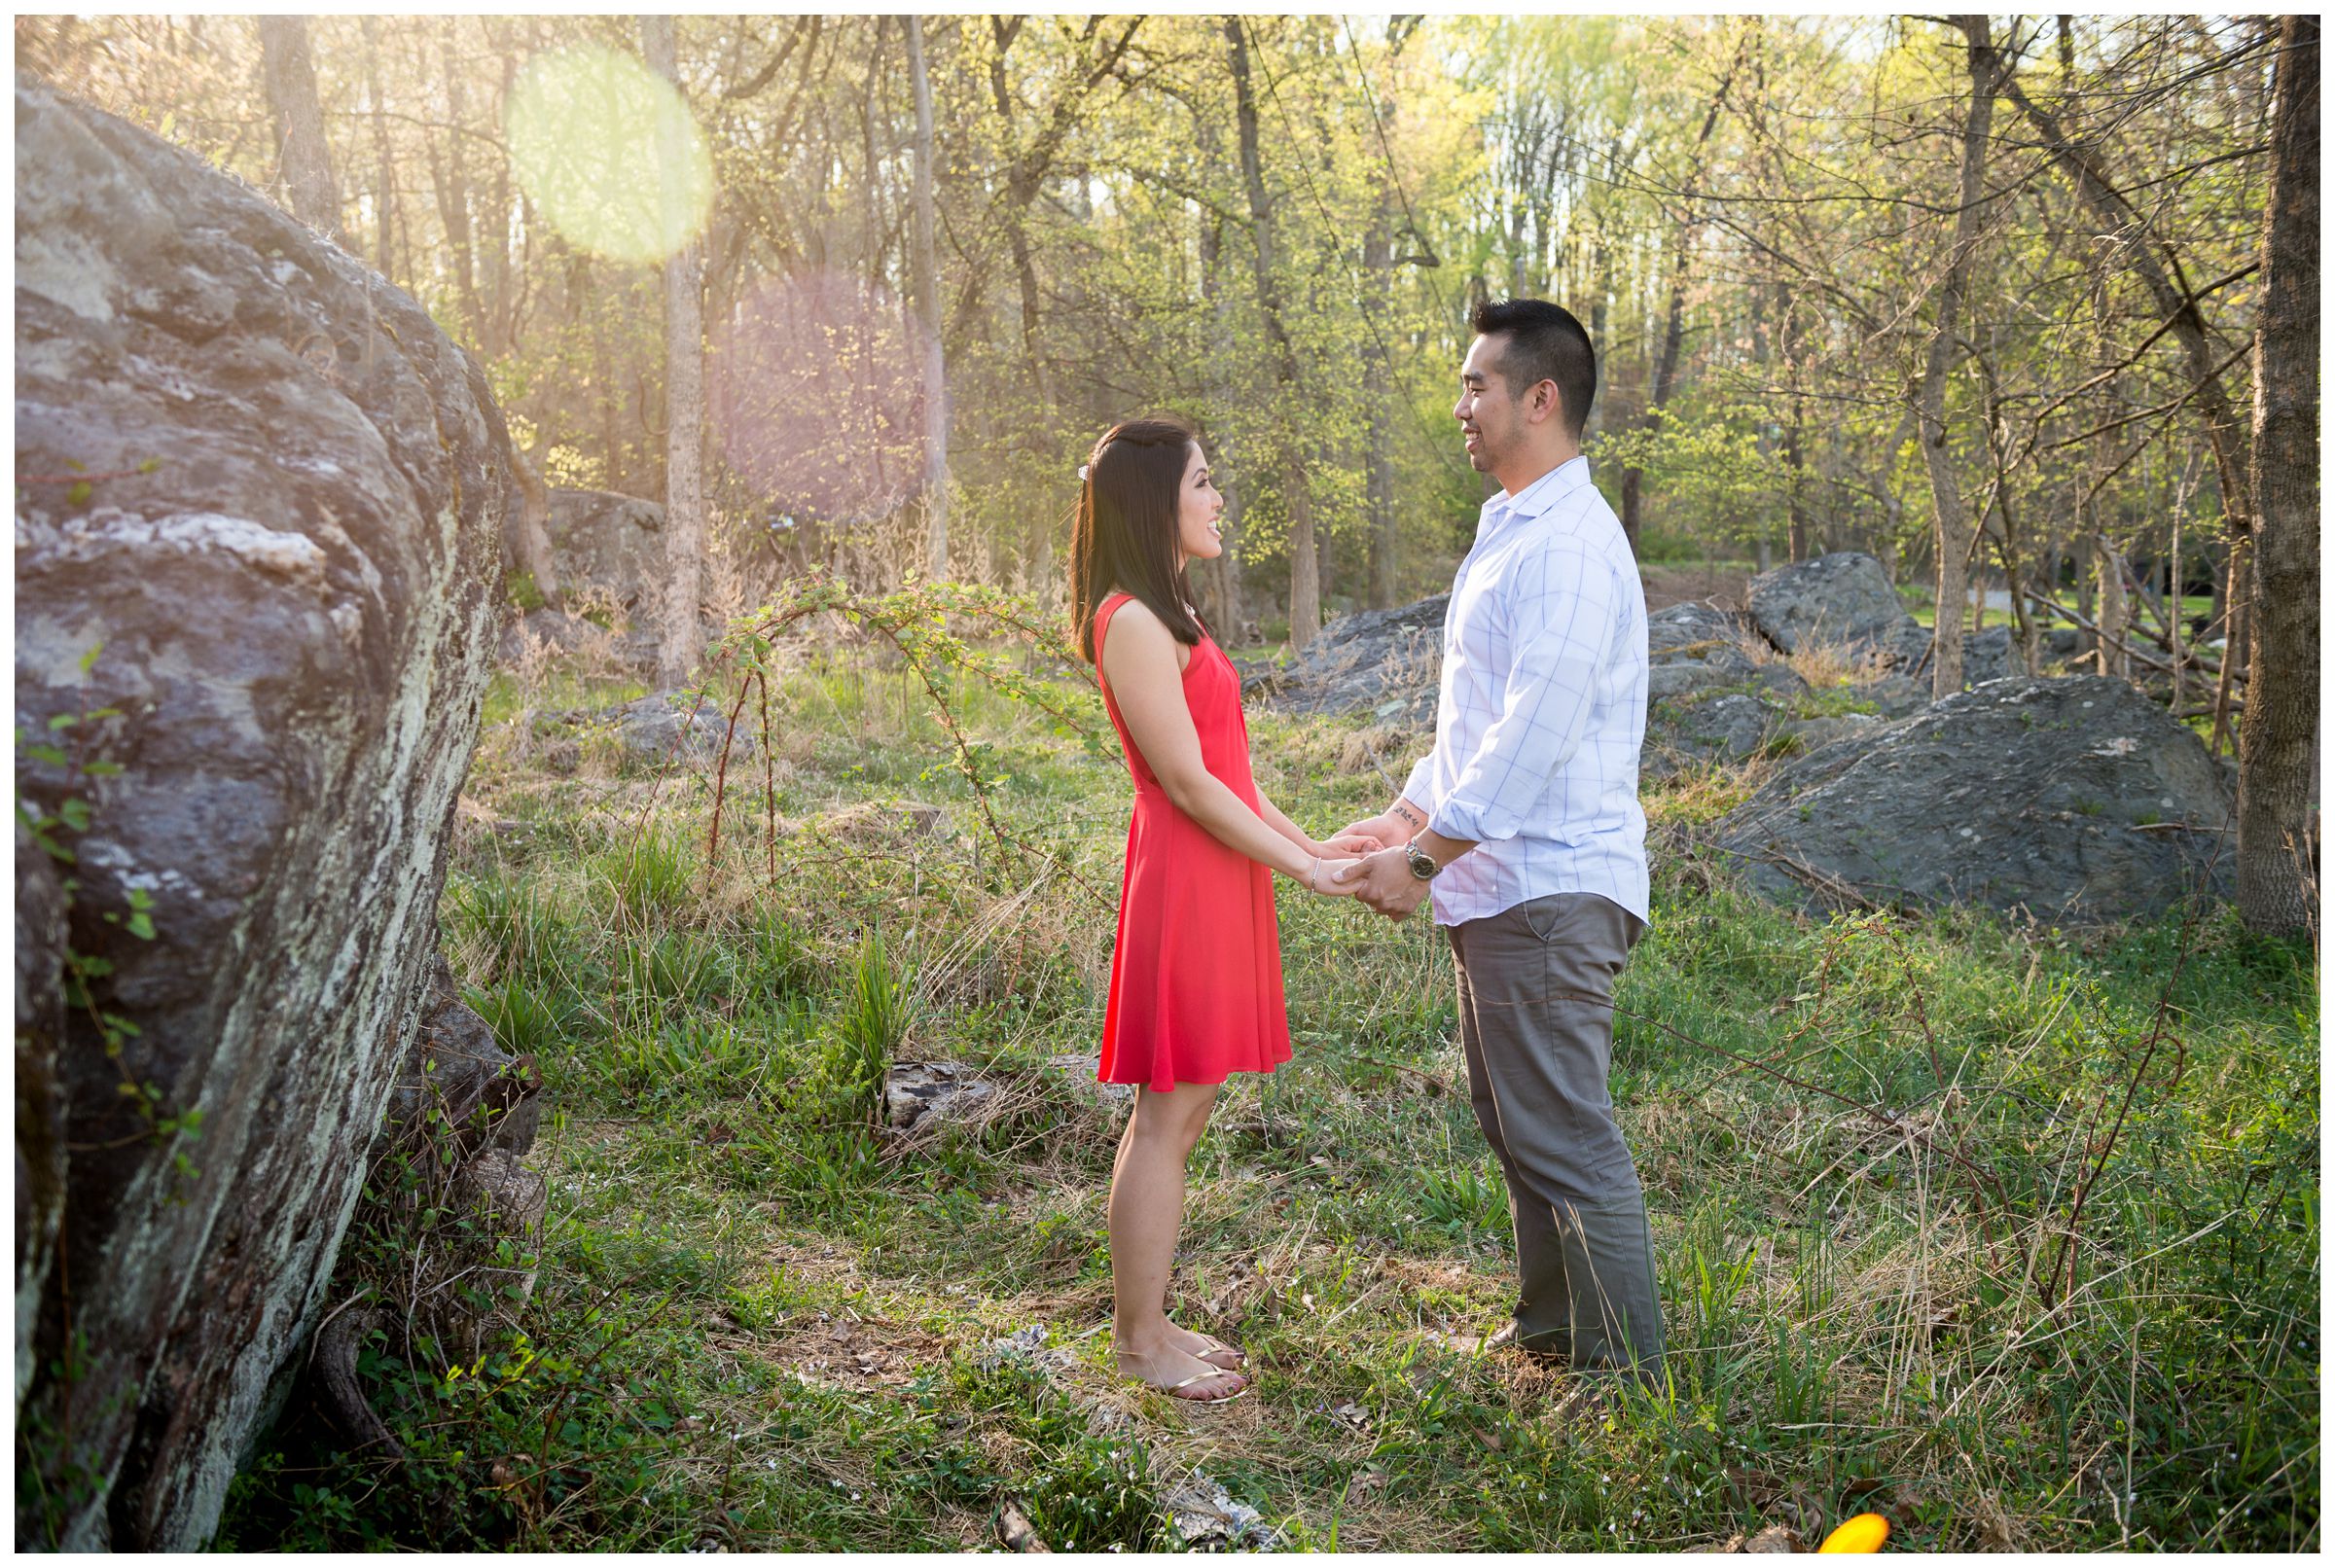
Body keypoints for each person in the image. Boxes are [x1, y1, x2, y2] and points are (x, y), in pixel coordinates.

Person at [1334, 299, 1665, 1381]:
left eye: (1478, 384)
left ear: (1541, 398)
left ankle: (1626, 1389)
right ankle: (1552, 1339)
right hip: (1503, 887)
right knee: (1523, 1128)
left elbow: (1538, 729)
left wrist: (1428, 858)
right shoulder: (1514, 526)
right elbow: (1479, 723)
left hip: (1549, 890)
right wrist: (1407, 813)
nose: (1461, 405)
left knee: (1566, 1139)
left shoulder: (1569, 542)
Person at [1069, 415, 1373, 1405]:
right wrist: (1302, 871)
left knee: (1187, 1107)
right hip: (1187, 877)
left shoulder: (1175, 611)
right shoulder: (1128, 620)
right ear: (1158, 500)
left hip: (1220, 867)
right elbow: (1189, 786)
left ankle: (1148, 1320)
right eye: (1203, 481)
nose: (1217, 498)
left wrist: (1312, 843)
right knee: (1169, 1108)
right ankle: (1137, 1340)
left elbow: (1231, 774)